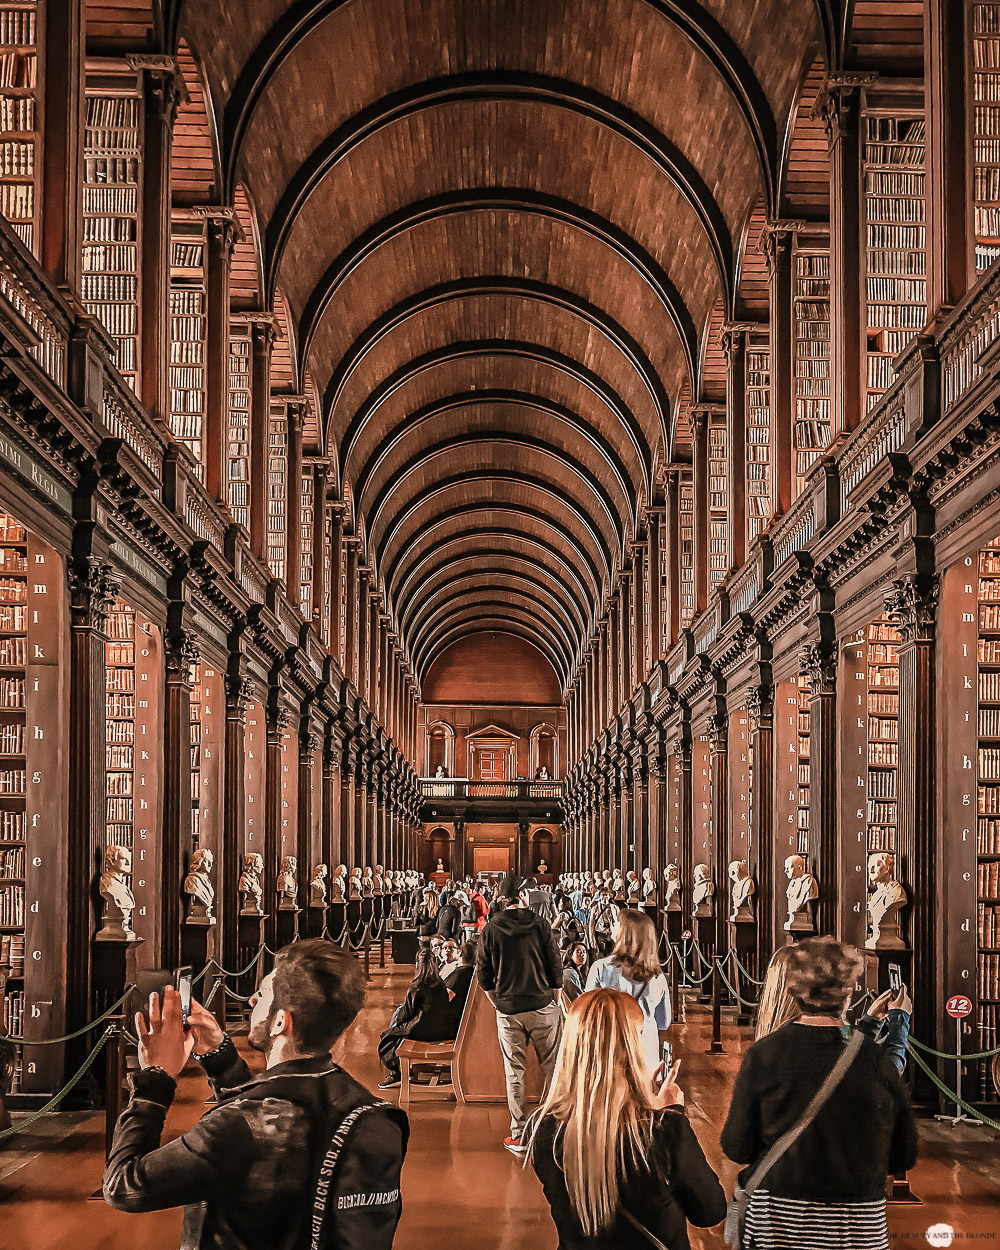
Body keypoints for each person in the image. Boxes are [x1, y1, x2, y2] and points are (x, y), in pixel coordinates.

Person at [103, 939, 408, 1248]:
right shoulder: (366, 1109)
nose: (250, 1000)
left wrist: (155, 1080)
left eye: (262, 995)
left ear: (279, 1021)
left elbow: (124, 1185)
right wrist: (219, 1058)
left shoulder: (235, 1127)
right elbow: (269, 1125)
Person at [721, 936, 918, 1249]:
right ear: (849, 992)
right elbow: (902, 1156)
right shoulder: (877, 1061)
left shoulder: (764, 1055)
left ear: (796, 991)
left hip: (777, 1221)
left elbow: (737, 1147)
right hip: (857, 1227)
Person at [527, 989, 726, 1248]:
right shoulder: (664, 1130)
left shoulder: (543, 1128)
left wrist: (645, 1100)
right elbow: (710, 1212)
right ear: (633, 1049)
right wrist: (671, 1113)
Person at [477, 875, 564, 1154]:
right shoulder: (540, 924)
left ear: (502, 900)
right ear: (522, 897)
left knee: (514, 1072)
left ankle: (519, 1135)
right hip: (542, 1006)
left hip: (509, 1009)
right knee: (553, 1068)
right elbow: (555, 966)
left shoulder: (490, 928)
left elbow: (484, 976)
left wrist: (498, 1004)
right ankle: (554, 1130)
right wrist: (557, 1002)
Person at [755, 945, 913, 1073]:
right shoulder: (817, 1037)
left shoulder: (771, 1044)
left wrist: (872, 1021)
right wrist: (900, 1019)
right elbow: (884, 1075)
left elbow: (850, 1061)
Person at [585, 910, 671, 1071]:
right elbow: (664, 1022)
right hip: (645, 1052)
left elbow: (587, 1014)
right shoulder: (658, 976)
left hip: (610, 1050)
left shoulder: (601, 968)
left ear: (626, 933)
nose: (612, 926)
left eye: (616, 923)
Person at [378, 948, 454, 1089]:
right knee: (395, 1032)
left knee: (387, 1038)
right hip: (442, 1030)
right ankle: (401, 1070)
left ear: (418, 965)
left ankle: (397, 1073)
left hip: (422, 1030)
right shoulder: (441, 984)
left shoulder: (417, 985)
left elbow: (407, 1013)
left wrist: (396, 1024)